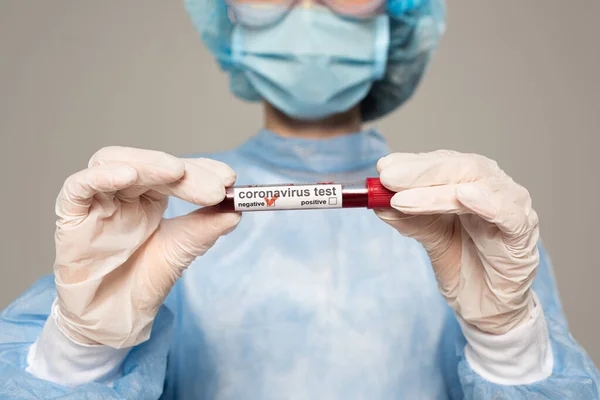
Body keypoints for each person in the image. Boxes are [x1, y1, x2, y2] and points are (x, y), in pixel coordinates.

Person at [0, 0, 598, 398]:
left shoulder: (473, 223)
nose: (307, 6)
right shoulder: (146, 219)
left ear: (397, 13)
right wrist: (79, 352)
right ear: (229, 14)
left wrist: (508, 344)